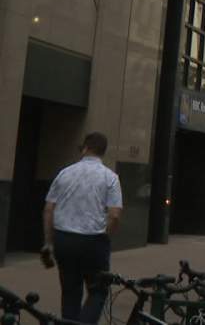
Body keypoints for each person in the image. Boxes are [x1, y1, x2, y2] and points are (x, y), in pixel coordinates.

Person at [42, 132, 123, 324]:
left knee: (70, 291)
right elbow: (115, 214)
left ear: (85, 148)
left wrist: (48, 243)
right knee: (98, 290)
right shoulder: (110, 178)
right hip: (93, 241)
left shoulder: (65, 173)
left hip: (64, 239)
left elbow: (48, 209)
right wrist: (105, 236)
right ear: (103, 152)